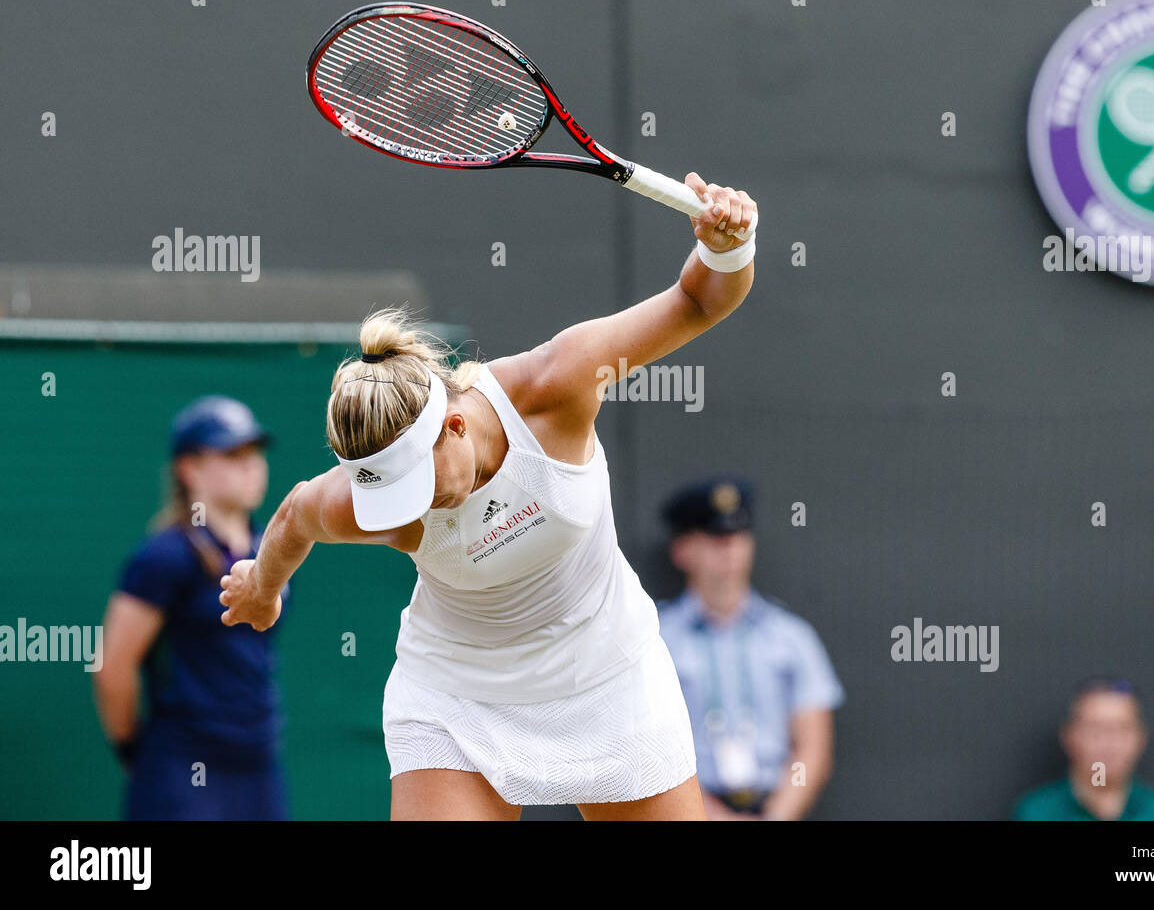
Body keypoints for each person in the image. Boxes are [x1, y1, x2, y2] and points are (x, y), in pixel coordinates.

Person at [219, 174, 758, 820]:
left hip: (609, 674)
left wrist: (728, 246)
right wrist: (262, 585)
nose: (412, 508)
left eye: (416, 484)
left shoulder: (558, 381)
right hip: (457, 696)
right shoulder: (353, 503)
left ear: (453, 424)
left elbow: (698, 304)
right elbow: (296, 514)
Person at [93, 395, 290, 819]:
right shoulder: (165, 556)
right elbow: (113, 667)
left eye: (254, 452)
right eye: (232, 452)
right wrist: (135, 753)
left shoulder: (271, 551)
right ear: (190, 469)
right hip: (184, 769)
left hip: (259, 764)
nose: (250, 463)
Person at [657, 476, 844, 820]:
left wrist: (774, 817)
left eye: (737, 535)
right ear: (682, 549)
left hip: (774, 806)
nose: (729, 548)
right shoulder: (656, 640)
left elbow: (813, 750)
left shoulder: (792, 636)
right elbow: (649, 752)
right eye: (715, 537)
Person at [1014, 676, 1154, 821]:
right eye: (1095, 729)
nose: (1109, 743)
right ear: (1070, 737)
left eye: (1122, 728)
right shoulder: (1037, 813)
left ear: (1141, 738)